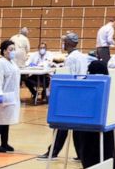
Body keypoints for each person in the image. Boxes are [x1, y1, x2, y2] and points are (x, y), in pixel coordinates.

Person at [38, 32, 91, 160]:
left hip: (71, 95)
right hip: (81, 95)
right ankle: (81, 154)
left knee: (61, 126)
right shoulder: (82, 56)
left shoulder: (72, 58)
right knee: (78, 128)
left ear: (68, 43)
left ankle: (53, 152)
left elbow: (70, 77)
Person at [75, 61, 115, 169]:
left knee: (104, 159)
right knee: (92, 161)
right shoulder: (85, 85)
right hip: (91, 129)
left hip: (103, 128)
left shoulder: (113, 85)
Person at [0, 40, 21, 153]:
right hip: (1, 95)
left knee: (6, 120)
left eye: (14, 49)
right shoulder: (0, 63)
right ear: (4, 51)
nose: (13, 52)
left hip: (10, 95)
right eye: (10, 49)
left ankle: (4, 143)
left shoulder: (12, 62)